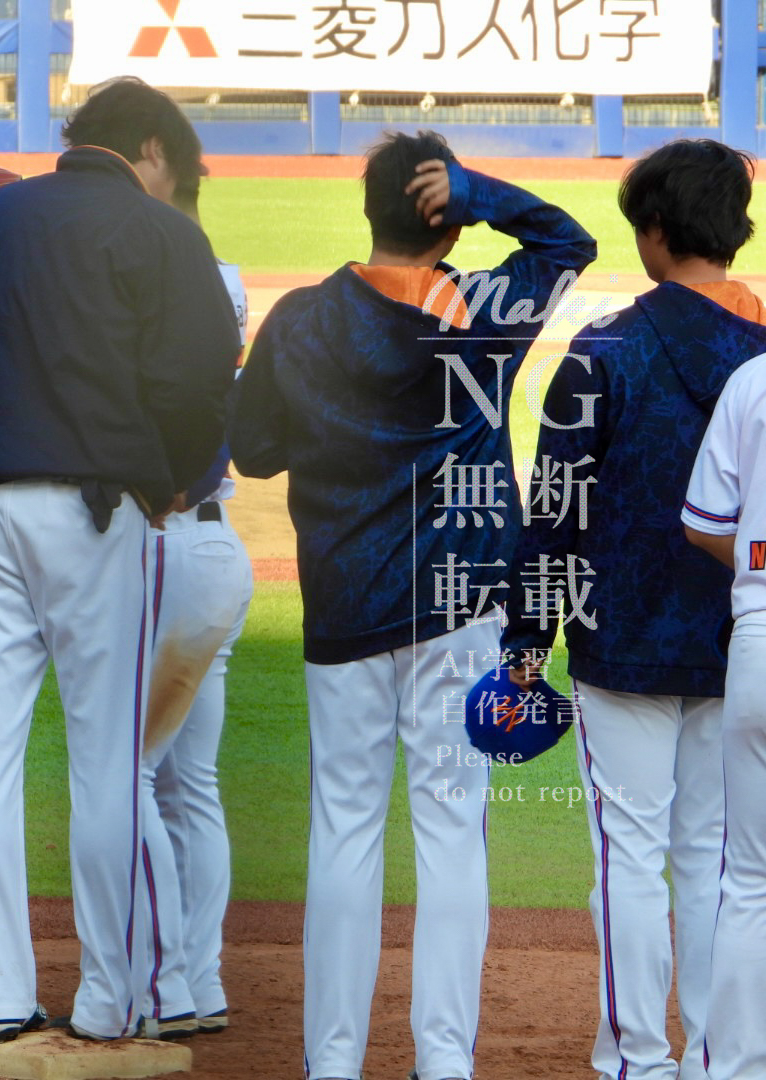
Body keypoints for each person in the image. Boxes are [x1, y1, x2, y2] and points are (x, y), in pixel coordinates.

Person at [230, 130, 595, 1080]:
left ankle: (332, 1062)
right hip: (461, 608)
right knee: (452, 834)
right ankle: (443, 1061)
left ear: (369, 208)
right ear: (450, 219)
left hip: (344, 605)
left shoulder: (302, 318)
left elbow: (252, 451)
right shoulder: (481, 308)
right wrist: (481, 192)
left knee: (344, 831)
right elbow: (569, 241)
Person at [0, 76, 240, 1043]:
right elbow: (199, 381)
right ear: (151, 149)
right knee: (107, 759)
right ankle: (112, 998)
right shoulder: (159, 229)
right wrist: (171, 478)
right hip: (96, 509)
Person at [504, 139, 766, 1080]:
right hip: (739, 641)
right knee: (715, 861)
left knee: (630, 856)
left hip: (620, 640)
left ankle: (634, 1062)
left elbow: (555, 508)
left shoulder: (605, 346)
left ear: (654, 231)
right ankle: (712, 1058)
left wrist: (527, 638)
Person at [134, 177, 254, 1040]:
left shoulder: (154, 283)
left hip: (161, 550)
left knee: (130, 773)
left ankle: (163, 984)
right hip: (218, 553)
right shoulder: (222, 281)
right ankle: (200, 981)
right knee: (191, 784)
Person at [683, 357, 766, 1079]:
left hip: (761, 636)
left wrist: (754, 561)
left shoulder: (753, 380)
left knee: (751, 880)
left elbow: (705, 523)